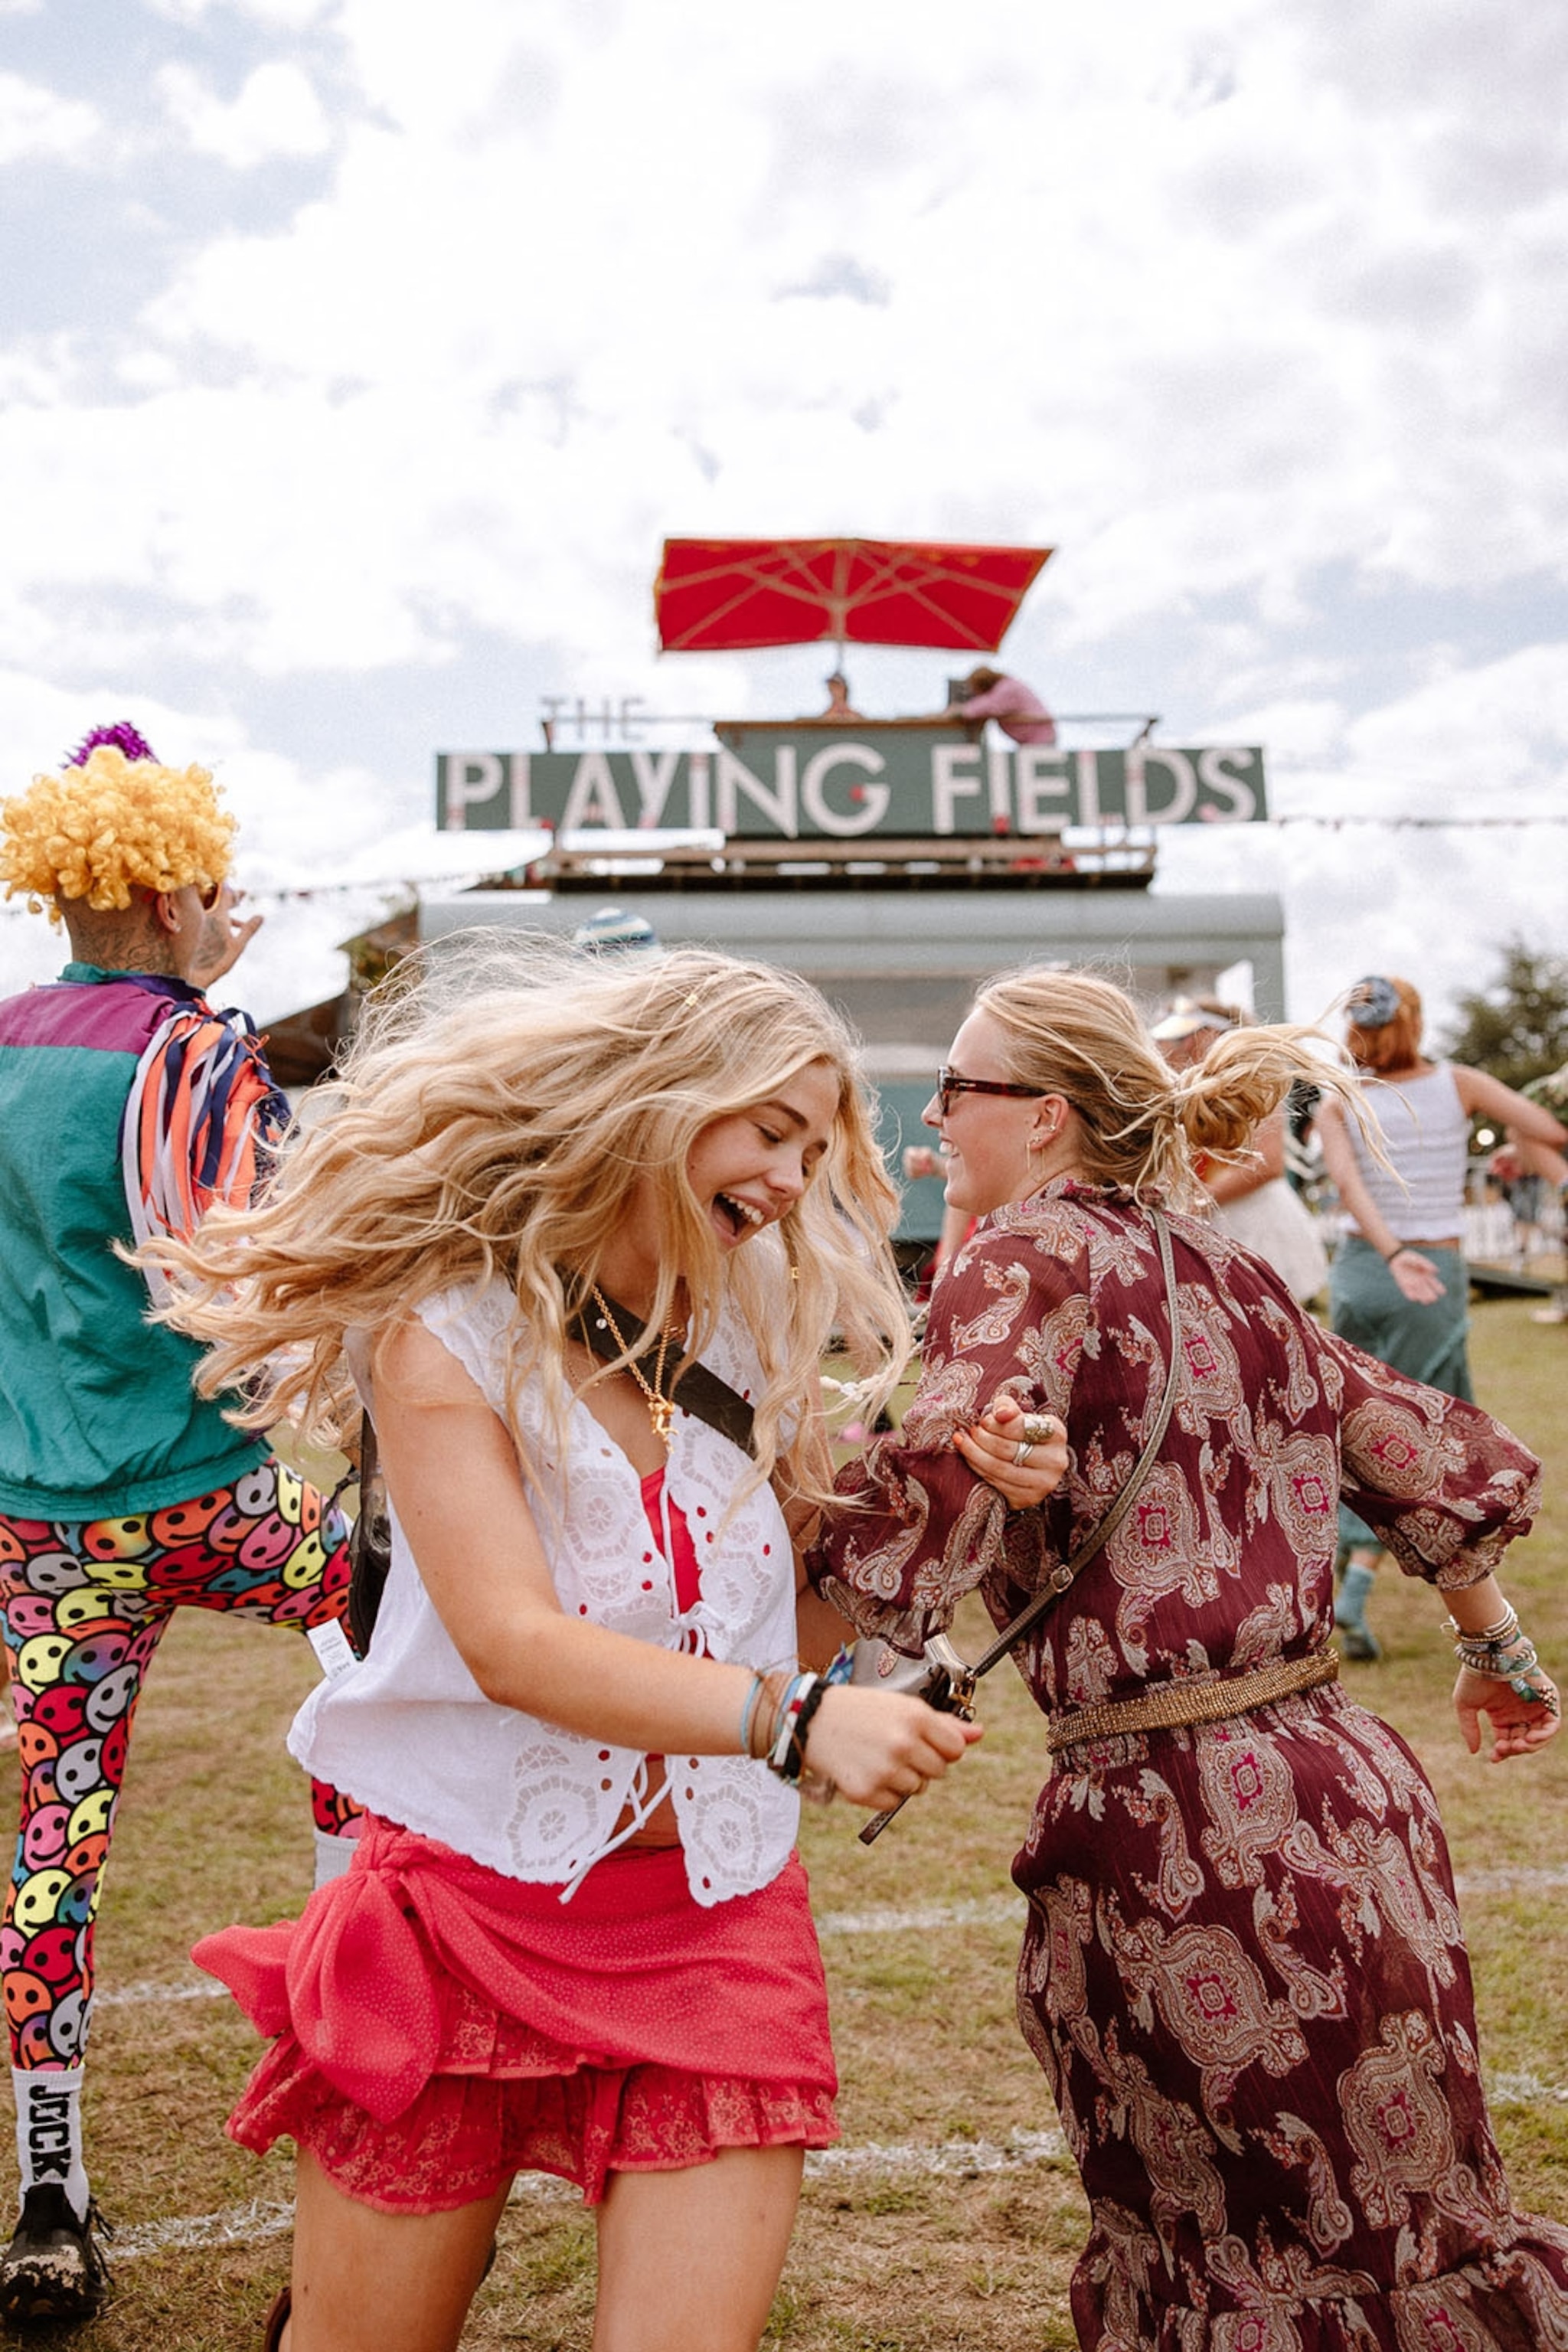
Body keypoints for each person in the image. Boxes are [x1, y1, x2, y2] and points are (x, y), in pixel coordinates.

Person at [149, 942, 1050, 2352]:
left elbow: (790, 1618)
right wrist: (795, 1722)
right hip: (458, 1918)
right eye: (769, 1130)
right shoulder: (445, 1326)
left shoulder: (758, 1326)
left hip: (713, 1919)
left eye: (815, 1150)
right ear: (654, 1099)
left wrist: (961, 1491)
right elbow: (513, 1641)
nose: (790, 1180)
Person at [812, 965, 1568, 2352]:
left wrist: (825, 1667)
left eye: (958, 1087)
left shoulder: (1016, 1251)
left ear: (1042, 1116)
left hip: (1182, 1835)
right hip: (1355, 1802)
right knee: (1414, 2227)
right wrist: (1498, 1654)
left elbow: (930, 1489)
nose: (933, 1113)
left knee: (1237, 2256)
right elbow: (1423, 1459)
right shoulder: (1227, 1262)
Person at [0, 726, 364, 2325]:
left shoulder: (5, 1042)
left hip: (37, 1521)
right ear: (159, 889)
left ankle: (48, 2186)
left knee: (53, 1840)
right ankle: (362, 2056)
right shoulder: (192, 1052)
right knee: (375, 1659)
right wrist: (212, 1000)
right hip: (209, 1492)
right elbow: (270, 1243)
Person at [1311, 973, 1567, 1659]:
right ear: (1415, 1023)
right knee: (1411, 1435)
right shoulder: (1461, 1085)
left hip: (1361, 1270)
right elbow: (1547, 1123)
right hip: (1428, 1270)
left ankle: (1337, 1561)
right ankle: (1356, 1593)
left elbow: (1345, 1182)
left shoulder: (1342, 1095)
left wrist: (1385, 1250)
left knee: (1347, 1421)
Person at [1152, 995, 1328, 1303]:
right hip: (1207, 1218)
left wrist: (1197, 1204)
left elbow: (1269, 1163)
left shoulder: (1254, 1081)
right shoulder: (1179, 1088)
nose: (1173, 1048)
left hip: (1252, 1222)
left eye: (1184, 1037)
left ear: (1210, 1034)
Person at [945, 665, 1056, 746]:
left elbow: (986, 707)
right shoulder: (1007, 686)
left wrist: (957, 710)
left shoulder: (1006, 690)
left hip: (1039, 740)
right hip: (1034, 740)